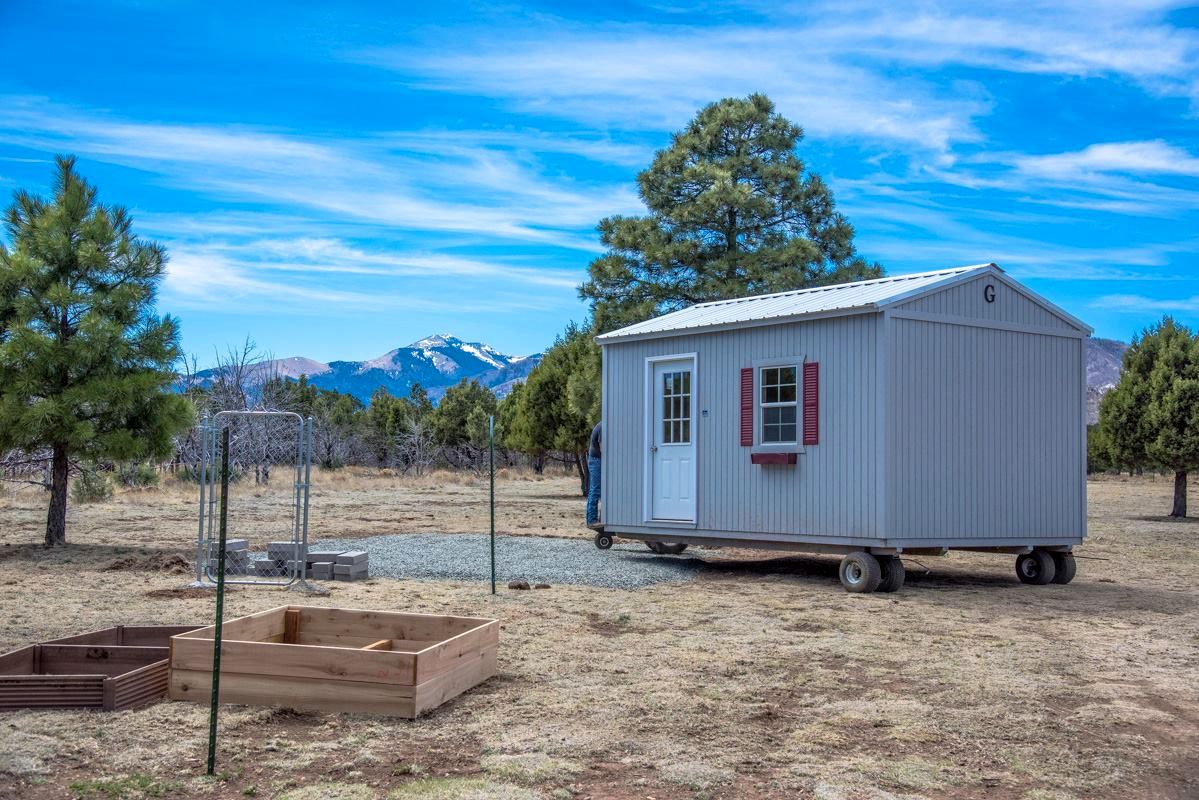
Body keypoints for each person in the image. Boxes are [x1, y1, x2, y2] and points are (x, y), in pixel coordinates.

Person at [586, 421, 602, 527]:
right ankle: (592, 520)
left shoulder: (603, 425)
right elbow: (603, 449)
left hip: (596, 459)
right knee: (595, 489)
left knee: (596, 489)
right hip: (596, 460)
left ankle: (594, 518)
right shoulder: (603, 426)